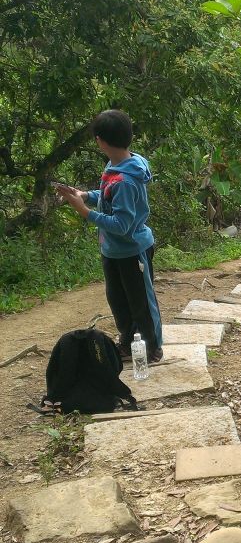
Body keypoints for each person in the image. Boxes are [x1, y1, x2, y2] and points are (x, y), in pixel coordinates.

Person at [55, 110, 163, 362]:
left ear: (100, 141)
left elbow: (122, 224)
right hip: (112, 250)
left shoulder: (126, 178)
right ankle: (128, 341)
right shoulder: (114, 165)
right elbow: (106, 195)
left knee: (141, 303)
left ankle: (152, 347)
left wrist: (85, 213)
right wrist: (85, 195)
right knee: (117, 300)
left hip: (132, 249)